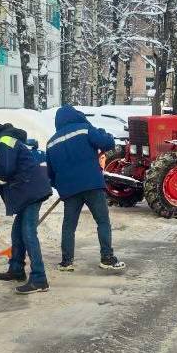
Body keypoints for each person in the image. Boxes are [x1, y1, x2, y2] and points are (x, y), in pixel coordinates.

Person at [0, 114, 53, 295]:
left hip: (30, 191)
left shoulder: (2, 142)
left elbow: (5, 172)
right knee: (17, 232)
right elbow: (1, 174)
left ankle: (39, 279)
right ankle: (17, 270)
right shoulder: (0, 142)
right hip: (27, 191)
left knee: (28, 232)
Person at [46, 105, 125, 273]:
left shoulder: (51, 142)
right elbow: (108, 143)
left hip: (69, 191)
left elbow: (50, 174)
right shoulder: (84, 129)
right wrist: (104, 133)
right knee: (102, 221)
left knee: (69, 227)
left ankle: (66, 262)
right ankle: (107, 258)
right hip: (92, 185)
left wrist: (63, 186)